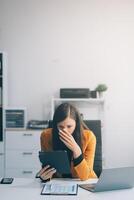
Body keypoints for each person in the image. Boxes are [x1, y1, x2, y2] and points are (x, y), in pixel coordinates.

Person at [38, 102, 97, 181]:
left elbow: (85, 176)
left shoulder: (89, 137)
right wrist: (45, 177)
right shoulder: (46, 136)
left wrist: (76, 150)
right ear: (56, 125)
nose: (65, 131)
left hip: (83, 182)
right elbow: (47, 168)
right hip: (58, 182)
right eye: (61, 126)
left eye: (69, 126)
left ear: (76, 124)